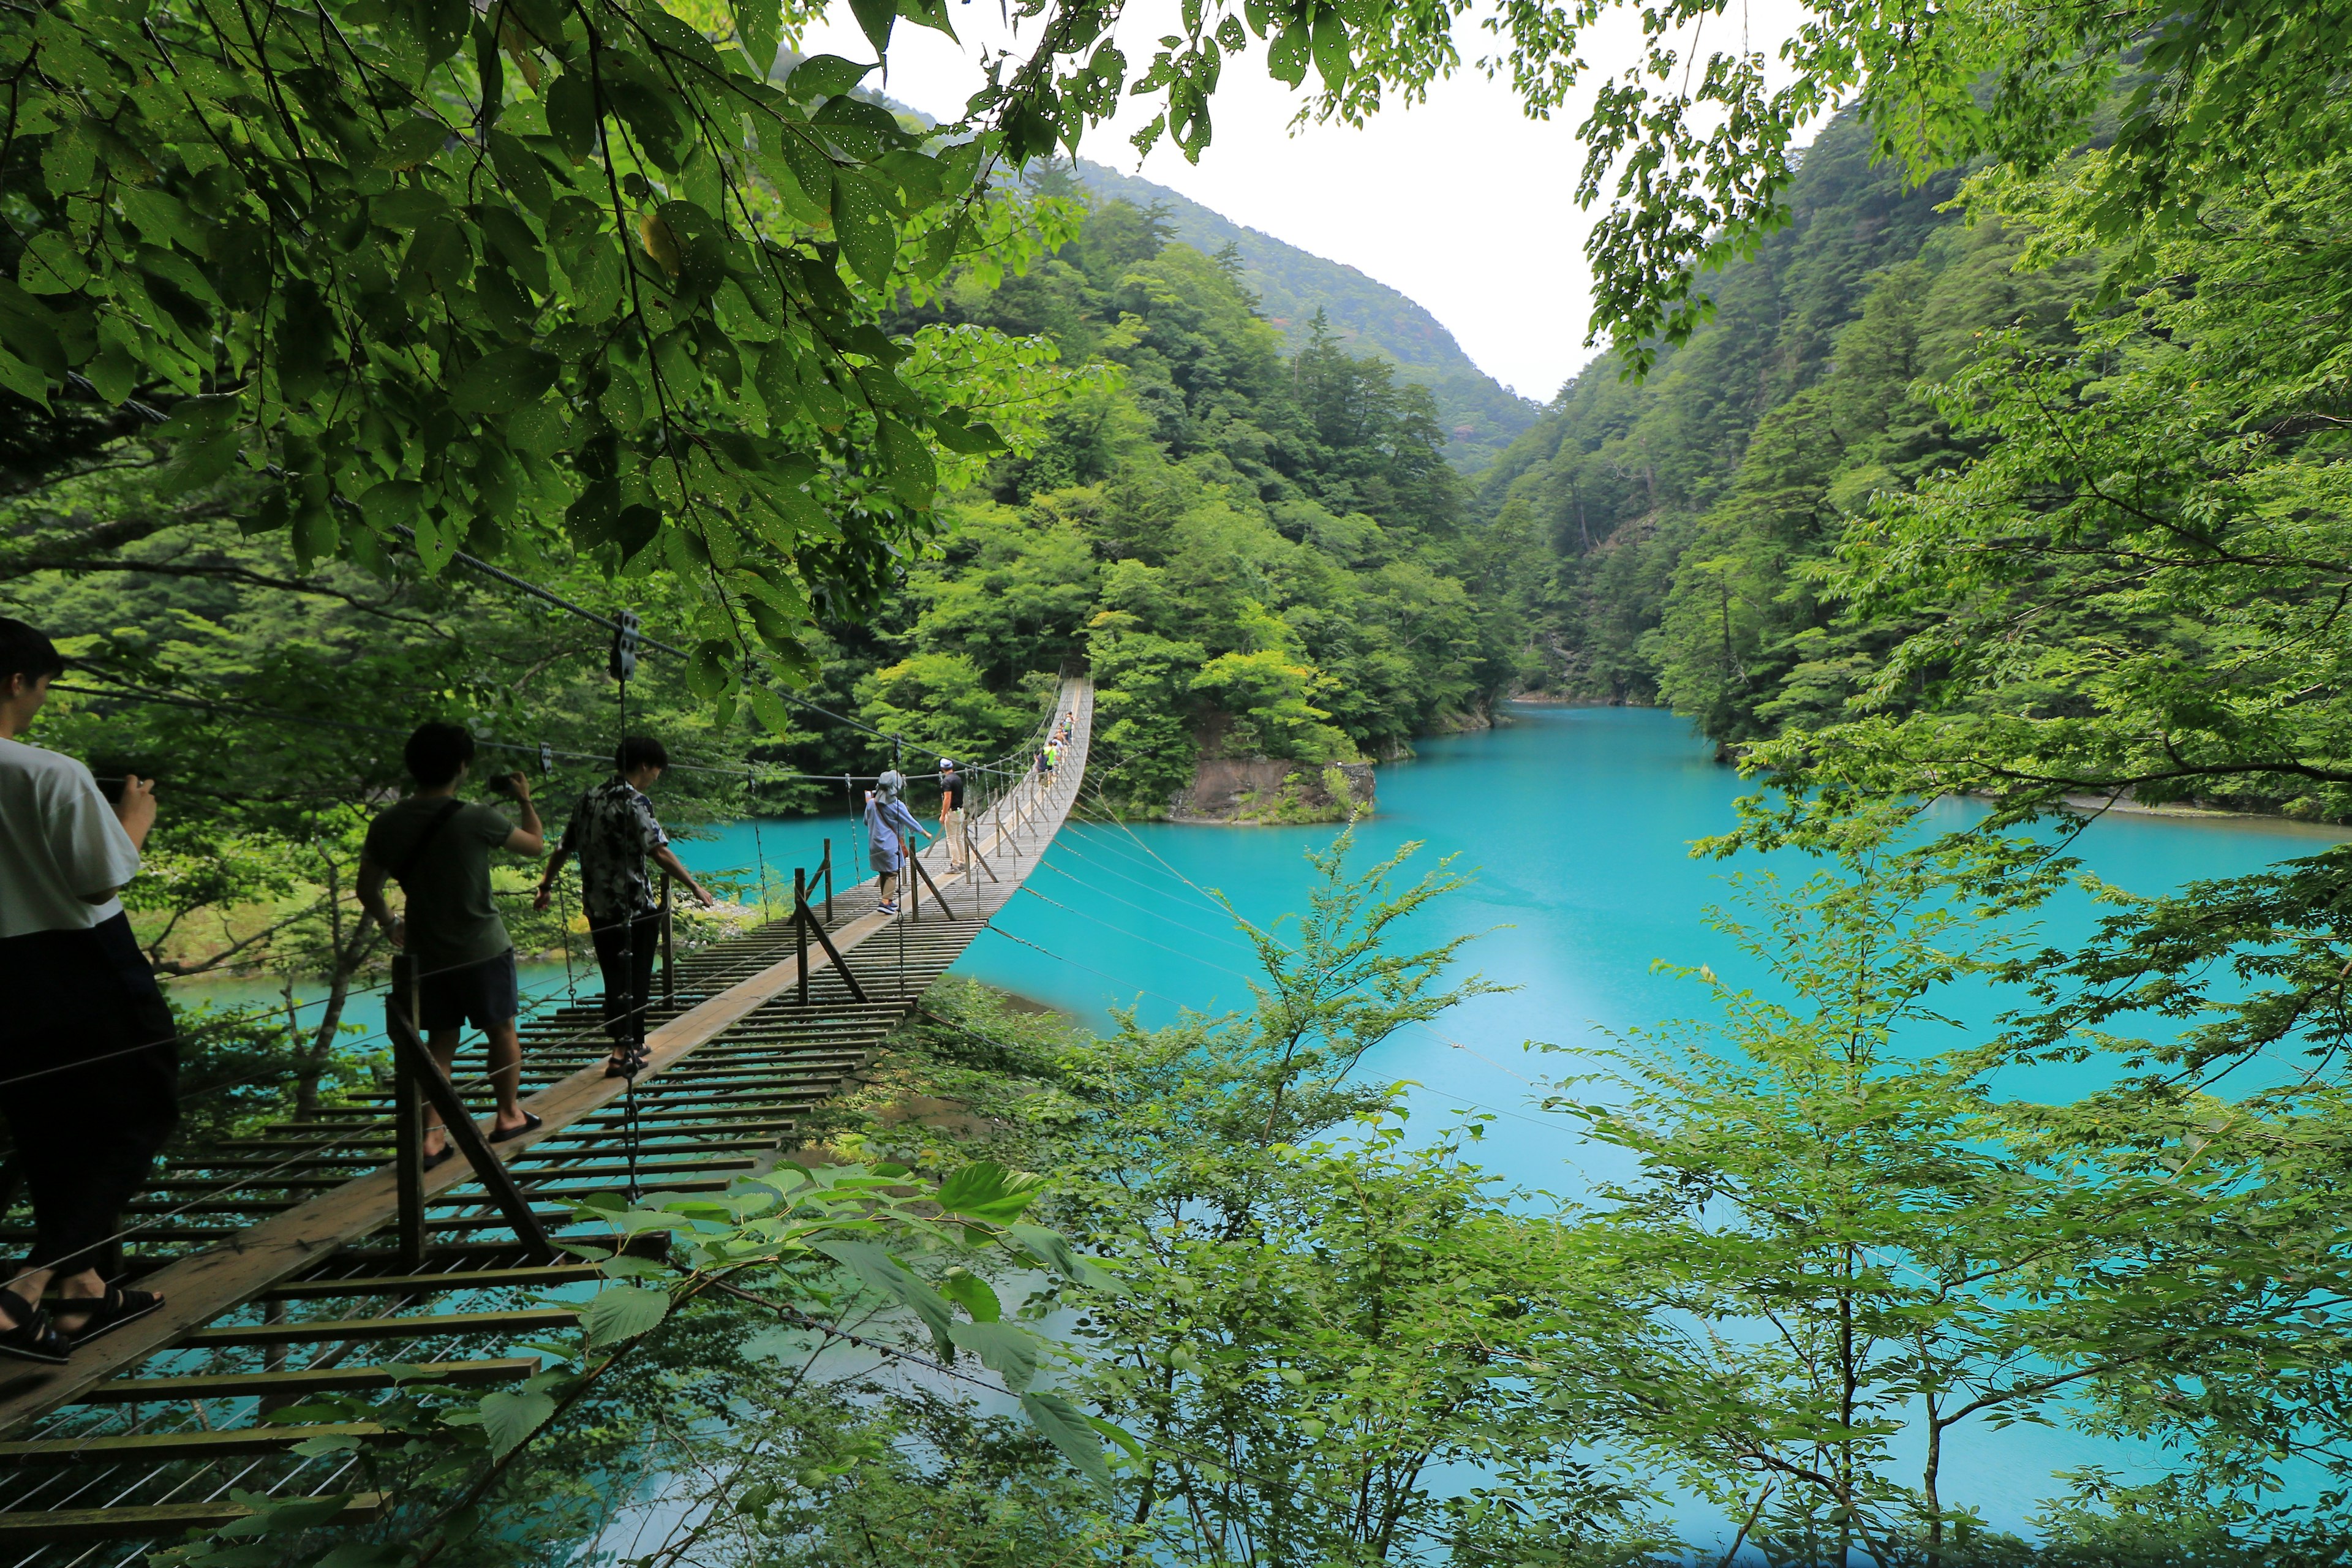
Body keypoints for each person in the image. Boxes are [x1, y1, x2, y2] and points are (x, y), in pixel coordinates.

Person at [0, 618, 177, 1362]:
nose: (40, 701)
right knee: (144, 1110)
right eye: (42, 686)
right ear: (17, 681)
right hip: (83, 962)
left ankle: (84, 1288)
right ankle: (22, 1292)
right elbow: (98, 876)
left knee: (50, 1126)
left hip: (5, 980)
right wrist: (132, 821)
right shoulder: (49, 772)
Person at [358, 723, 545, 1166]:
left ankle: (431, 1140)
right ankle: (508, 1115)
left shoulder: (386, 823)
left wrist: (389, 924)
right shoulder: (477, 817)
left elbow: (368, 888)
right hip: (483, 947)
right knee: (501, 1030)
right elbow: (535, 846)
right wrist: (524, 800)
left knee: (440, 1043)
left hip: (426, 952)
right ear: (463, 766)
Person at [534, 736, 714, 1077]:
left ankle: (629, 1040)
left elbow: (562, 847)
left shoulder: (588, 799)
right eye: (658, 769)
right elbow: (659, 851)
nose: (658, 776)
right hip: (633, 907)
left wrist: (546, 885)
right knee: (634, 978)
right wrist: (694, 886)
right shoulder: (635, 801)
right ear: (645, 765)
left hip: (598, 906)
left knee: (614, 976)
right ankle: (622, 1051)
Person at [862, 770, 929, 916]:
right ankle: (885, 902)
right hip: (890, 843)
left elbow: (866, 822)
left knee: (883, 871)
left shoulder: (871, 804)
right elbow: (909, 820)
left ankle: (888, 899)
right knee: (892, 872)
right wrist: (923, 832)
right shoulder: (896, 805)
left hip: (874, 844)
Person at [936, 758, 965, 873]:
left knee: (951, 839)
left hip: (952, 812)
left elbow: (947, 798)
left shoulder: (946, 781)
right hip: (960, 811)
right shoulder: (958, 778)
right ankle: (962, 862)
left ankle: (955, 865)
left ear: (942, 768)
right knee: (958, 839)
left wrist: (943, 815)